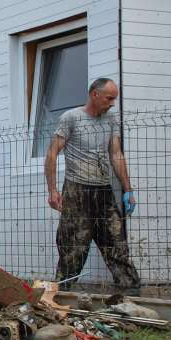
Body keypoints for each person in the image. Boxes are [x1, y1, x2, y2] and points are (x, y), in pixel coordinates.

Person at [44, 77, 141, 295]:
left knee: (116, 243)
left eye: (114, 98)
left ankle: (132, 297)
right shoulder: (71, 118)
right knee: (73, 248)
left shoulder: (110, 119)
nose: (112, 103)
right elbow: (52, 154)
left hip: (103, 189)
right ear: (94, 95)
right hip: (77, 189)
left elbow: (116, 154)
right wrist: (52, 190)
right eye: (109, 98)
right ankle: (61, 297)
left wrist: (128, 190)